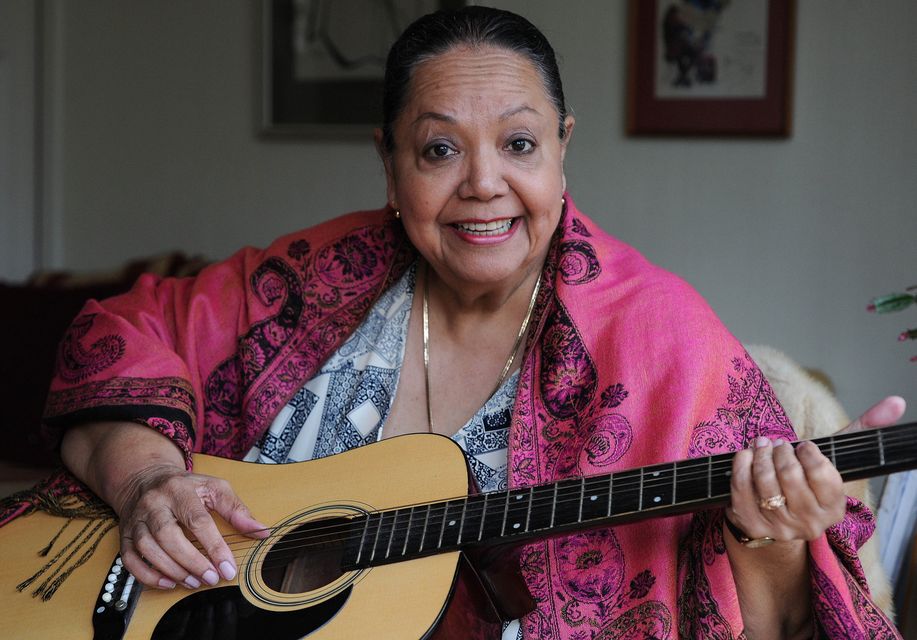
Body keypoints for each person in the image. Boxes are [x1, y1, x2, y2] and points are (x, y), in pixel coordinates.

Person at [33, 6, 904, 639]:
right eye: (440, 149)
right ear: (388, 162)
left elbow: (768, 624)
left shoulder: (665, 337)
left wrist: (766, 532)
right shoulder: (308, 278)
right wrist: (146, 482)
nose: (483, 183)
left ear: (562, 147)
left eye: (519, 144)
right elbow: (120, 335)